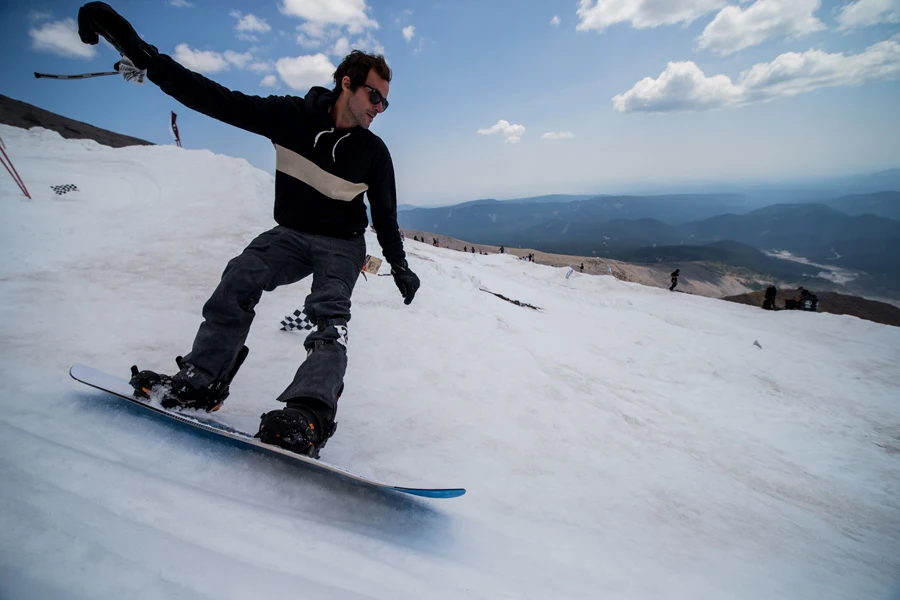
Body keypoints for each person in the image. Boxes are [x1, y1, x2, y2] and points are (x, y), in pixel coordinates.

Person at [77, 2, 420, 458]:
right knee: (240, 275)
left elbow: (386, 215)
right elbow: (216, 99)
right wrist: (150, 61)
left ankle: (309, 415)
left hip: (342, 243)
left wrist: (399, 265)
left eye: (386, 101)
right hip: (292, 234)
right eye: (375, 97)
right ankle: (200, 382)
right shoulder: (289, 117)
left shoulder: (374, 153)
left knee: (329, 318)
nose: (381, 108)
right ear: (347, 85)